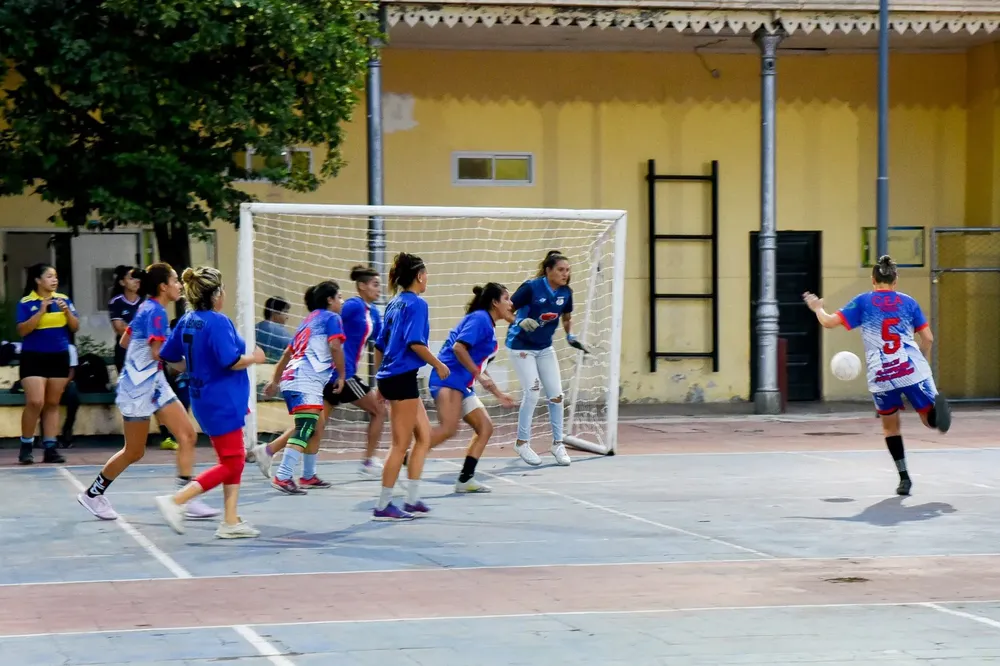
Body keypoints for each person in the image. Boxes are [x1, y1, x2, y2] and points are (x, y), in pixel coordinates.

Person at [76, 263, 219, 521]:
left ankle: (185, 498)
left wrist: (143, 358)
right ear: (163, 286)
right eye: (175, 281)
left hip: (152, 382)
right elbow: (158, 353)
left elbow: (125, 340)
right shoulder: (155, 312)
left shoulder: (147, 309)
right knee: (134, 451)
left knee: (186, 435)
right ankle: (92, 494)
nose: (179, 285)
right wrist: (197, 365)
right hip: (137, 387)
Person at [803, 254, 952, 496]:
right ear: (896, 281)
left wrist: (818, 308)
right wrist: (921, 360)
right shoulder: (908, 302)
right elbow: (928, 338)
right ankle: (937, 415)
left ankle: (904, 479)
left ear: (873, 280)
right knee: (927, 419)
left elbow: (829, 322)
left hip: (881, 373)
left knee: (890, 427)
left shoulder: (863, 301)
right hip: (910, 367)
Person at [156, 267, 268, 538]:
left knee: (232, 458)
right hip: (222, 400)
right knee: (232, 462)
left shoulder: (187, 320)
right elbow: (230, 361)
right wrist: (255, 358)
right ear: (216, 293)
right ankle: (178, 500)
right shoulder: (217, 322)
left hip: (203, 397)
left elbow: (168, 354)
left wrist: (191, 368)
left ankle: (230, 520)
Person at [254, 265, 386, 480]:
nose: (378, 289)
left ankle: (271, 452)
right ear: (361, 286)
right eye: (374, 284)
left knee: (314, 423)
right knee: (379, 410)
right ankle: (369, 461)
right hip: (339, 374)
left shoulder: (373, 314)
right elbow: (330, 330)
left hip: (325, 375)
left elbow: (380, 340)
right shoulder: (351, 307)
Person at [372, 252, 449, 521]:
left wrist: (379, 381)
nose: (428, 278)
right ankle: (383, 506)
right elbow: (415, 343)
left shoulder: (393, 304)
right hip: (401, 376)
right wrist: (438, 364)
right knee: (399, 445)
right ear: (419, 276)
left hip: (391, 375)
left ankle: (412, 499)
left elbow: (379, 345)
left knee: (424, 436)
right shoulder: (417, 304)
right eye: (426, 274)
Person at [428, 283, 516, 493]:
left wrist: (498, 394)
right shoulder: (480, 319)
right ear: (495, 302)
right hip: (447, 380)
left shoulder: (488, 325)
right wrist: (478, 375)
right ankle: (406, 456)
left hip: (462, 384)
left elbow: (479, 367)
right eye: (507, 299)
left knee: (485, 427)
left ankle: (465, 480)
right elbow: (459, 348)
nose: (511, 304)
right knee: (449, 429)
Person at [506, 250, 589, 468]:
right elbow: (506, 309)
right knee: (532, 393)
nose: (565, 274)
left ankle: (558, 444)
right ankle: (522, 443)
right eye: (561, 270)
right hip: (521, 346)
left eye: (568, 270)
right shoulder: (530, 288)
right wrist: (518, 321)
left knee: (557, 395)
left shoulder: (566, 293)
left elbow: (567, 316)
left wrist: (570, 335)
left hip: (544, 348)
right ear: (548, 270)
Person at [263, 281, 346, 495]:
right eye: (339, 297)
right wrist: (342, 374)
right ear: (330, 300)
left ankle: (308, 475)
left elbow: (287, 354)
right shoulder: (332, 318)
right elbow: (335, 346)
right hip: (304, 380)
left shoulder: (307, 321)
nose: (342, 301)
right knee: (306, 427)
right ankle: (282, 476)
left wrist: (275, 381)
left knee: (316, 426)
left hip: (294, 378)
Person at [16, 263, 78, 465]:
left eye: (56, 276)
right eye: (50, 276)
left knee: (52, 403)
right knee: (36, 402)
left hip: (58, 356)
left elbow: (75, 327)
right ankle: (26, 445)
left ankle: (50, 447)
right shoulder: (26, 302)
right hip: (33, 356)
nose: (54, 280)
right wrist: (40, 311)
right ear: (38, 280)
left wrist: (67, 312)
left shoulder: (64, 300)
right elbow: (23, 330)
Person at [108, 265, 142, 375]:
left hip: (143, 350)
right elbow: (119, 328)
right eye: (131, 278)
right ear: (122, 282)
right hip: (124, 350)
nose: (136, 281)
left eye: (137, 278)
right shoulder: (116, 302)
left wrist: (128, 326)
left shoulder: (146, 302)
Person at [255, 296, 291, 362]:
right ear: (274, 312)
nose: (287, 317)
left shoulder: (254, 330)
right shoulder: (284, 334)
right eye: (285, 312)